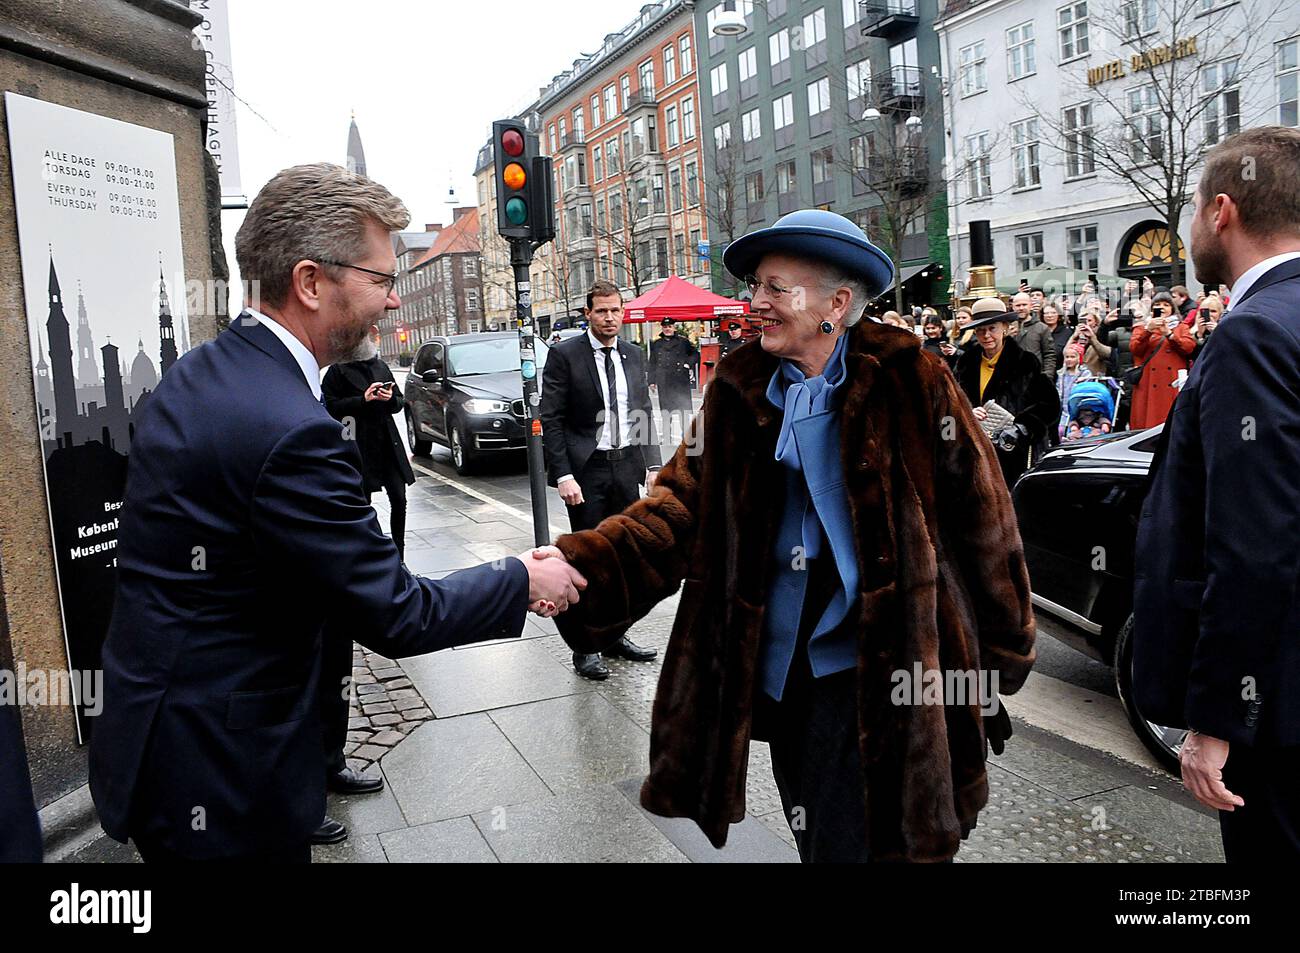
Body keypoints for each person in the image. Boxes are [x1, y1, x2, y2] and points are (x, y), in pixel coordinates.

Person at [87, 163, 586, 862]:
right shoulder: (290, 426)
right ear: (311, 281)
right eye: (380, 279)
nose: (392, 302)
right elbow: (396, 610)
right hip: (223, 775)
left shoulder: (205, 370)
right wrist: (520, 579)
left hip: (160, 742)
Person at [547, 210, 1036, 862]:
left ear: (837, 302)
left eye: (776, 287)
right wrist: (583, 567)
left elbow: (985, 523)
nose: (756, 303)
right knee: (826, 839)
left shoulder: (912, 381)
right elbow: (676, 509)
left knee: (895, 840)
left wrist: (1000, 656)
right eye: (756, 287)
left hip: (893, 667)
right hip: (797, 684)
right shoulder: (739, 392)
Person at [1134, 126, 1300, 862]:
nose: (1192, 222)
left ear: (1222, 210)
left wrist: (1216, 720)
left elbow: (1255, 547)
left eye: (1195, 205)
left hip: (1279, 720)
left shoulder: (1252, 334)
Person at [539, 280, 662, 681]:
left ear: (623, 312)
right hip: (586, 472)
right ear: (587, 314)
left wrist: (653, 465)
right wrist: (562, 474)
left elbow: (643, 409)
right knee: (588, 559)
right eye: (601, 311)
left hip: (627, 466)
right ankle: (585, 647)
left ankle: (616, 636)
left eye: (615, 310)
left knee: (625, 559)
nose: (609, 317)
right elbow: (552, 419)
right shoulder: (564, 356)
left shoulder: (632, 354)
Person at [954, 297, 1061, 488]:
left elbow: (1050, 406)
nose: (986, 335)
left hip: (1015, 456)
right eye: (980, 330)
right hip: (976, 455)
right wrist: (967, 413)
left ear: (1004, 327)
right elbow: (950, 407)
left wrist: (1022, 428)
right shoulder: (965, 364)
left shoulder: (1026, 362)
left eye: (992, 328)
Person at [1127, 291, 1196, 429]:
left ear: (1172, 308)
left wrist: (1170, 334)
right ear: (1152, 309)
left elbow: (1189, 348)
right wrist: (1148, 330)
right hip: (1149, 383)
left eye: (1166, 304)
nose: (1162, 307)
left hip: (1172, 381)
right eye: (1157, 305)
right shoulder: (1142, 327)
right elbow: (1135, 348)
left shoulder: (1181, 327)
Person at [648, 317, 699, 445]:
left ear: (674, 327)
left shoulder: (683, 342)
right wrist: (651, 381)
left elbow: (695, 354)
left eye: (669, 326)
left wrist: (688, 364)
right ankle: (666, 437)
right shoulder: (657, 344)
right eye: (665, 327)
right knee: (665, 412)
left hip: (680, 381)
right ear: (662, 328)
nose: (667, 329)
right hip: (664, 381)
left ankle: (685, 437)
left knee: (682, 410)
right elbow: (652, 362)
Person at [1010, 291, 1057, 380]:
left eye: (1024, 305)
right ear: (1013, 307)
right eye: (1018, 305)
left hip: (1035, 378)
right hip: (1013, 379)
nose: (1021, 308)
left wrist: (1047, 378)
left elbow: (1049, 355)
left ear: (1031, 306)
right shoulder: (1008, 327)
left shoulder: (1042, 328)